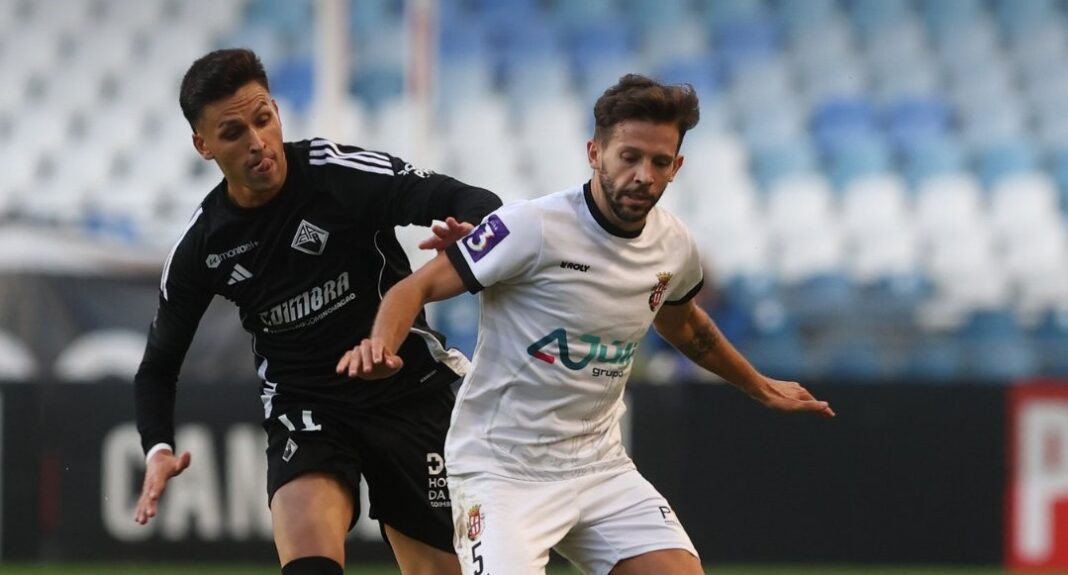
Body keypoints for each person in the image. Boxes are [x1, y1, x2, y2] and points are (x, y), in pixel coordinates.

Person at [338, 74, 836, 575]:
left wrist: (758, 386)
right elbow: (413, 287)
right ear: (594, 153)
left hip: (600, 467)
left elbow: (686, 327)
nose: (644, 174)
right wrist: (383, 346)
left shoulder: (675, 247)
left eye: (660, 162)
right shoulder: (530, 228)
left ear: (677, 167)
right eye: (629, 156)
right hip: (503, 470)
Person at [133, 48, 501, 575]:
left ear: (277, 112)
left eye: (263, 119)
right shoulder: (203, 245)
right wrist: (158, 447)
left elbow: (473, 199)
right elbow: (157, 366)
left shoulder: (341, 175)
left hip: (408, 393)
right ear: (203, 145)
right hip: (307, 406)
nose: (258, 143)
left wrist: (468, 235)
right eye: (234, 133)